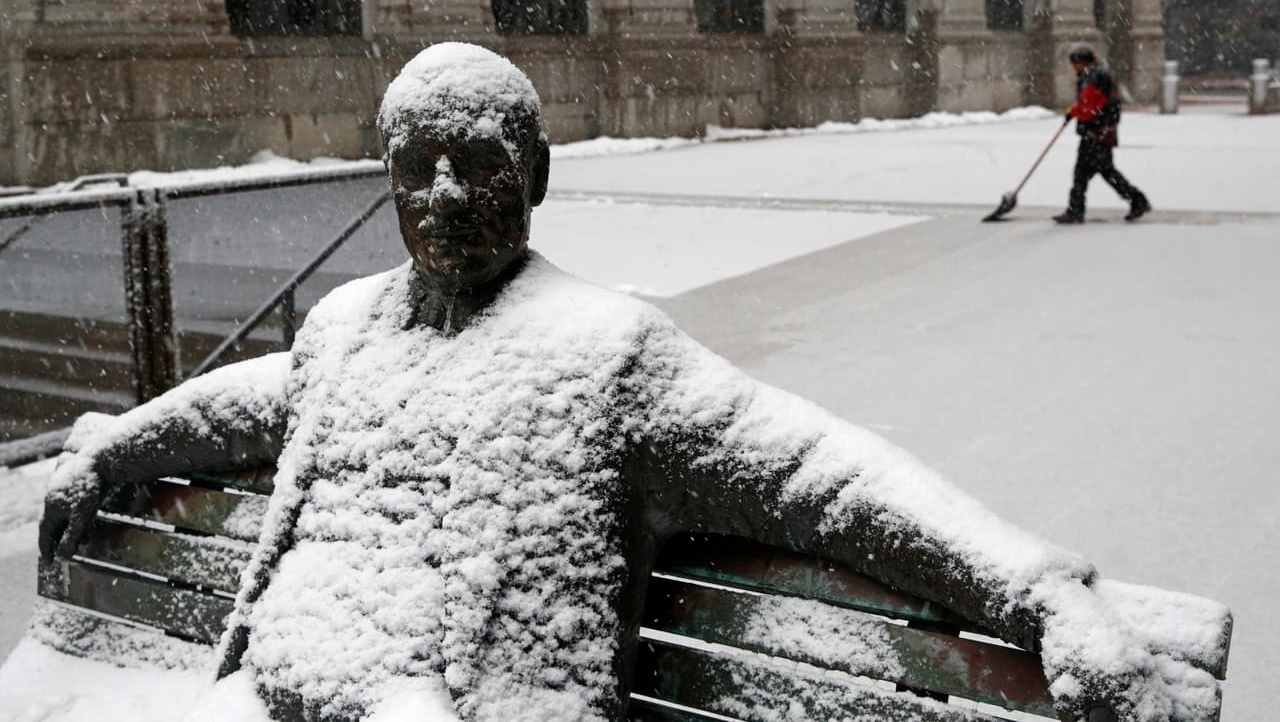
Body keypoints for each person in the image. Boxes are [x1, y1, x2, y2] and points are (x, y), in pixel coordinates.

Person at [39, 43, 1216, 722]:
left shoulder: (607, 358)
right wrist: (111, 449)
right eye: (416, 168)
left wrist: (1038, 593)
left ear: (537, 173)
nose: (443, 195)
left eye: (477, 165)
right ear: (386, 180)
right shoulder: (346, 331)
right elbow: (233, 408)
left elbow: (824, 478)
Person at [1054, 42, 1151, 224]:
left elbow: (1091, 107)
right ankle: (1136, 201)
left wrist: (1073, 112)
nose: (1074, 67)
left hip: (1096, 133)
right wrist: (1075, 110)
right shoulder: (1096, 74)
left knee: (1090, 173)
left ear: (1083, 62)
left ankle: (1077, 210)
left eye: (1076, 63)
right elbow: (1090, 103)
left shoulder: (1095, 77)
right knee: (1098, 173)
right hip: (1100, 131)